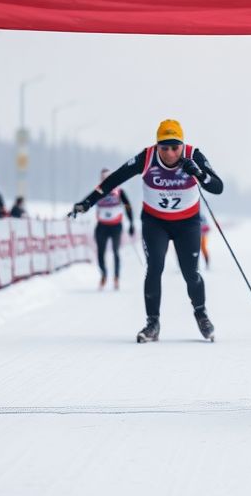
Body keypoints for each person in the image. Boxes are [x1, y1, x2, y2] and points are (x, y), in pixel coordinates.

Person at [71, 119, 223, 343]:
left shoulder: (194, 155)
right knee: (154, 269)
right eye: (165, 147)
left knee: (191, 273)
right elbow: (114, 179)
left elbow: (217, 187)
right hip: (155, 222)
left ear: (182, 144)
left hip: (187, 223)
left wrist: (199, 174)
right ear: (157, 146)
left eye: (175, 147)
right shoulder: (146, 157)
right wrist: (88, 202)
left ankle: (202, 316)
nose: (170, 153)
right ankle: (152, 323)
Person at [93, 168, 135, 289]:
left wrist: (131, 223)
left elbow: (128, 206)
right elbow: (88, 203)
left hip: (116, 226)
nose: (105, 180)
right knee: (100, 252)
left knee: (115, 251)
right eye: (103, 178)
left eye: (107, 177)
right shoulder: (97, 191)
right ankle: (104, 275)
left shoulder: (119, 191)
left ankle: (116, 277)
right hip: (101, 226)